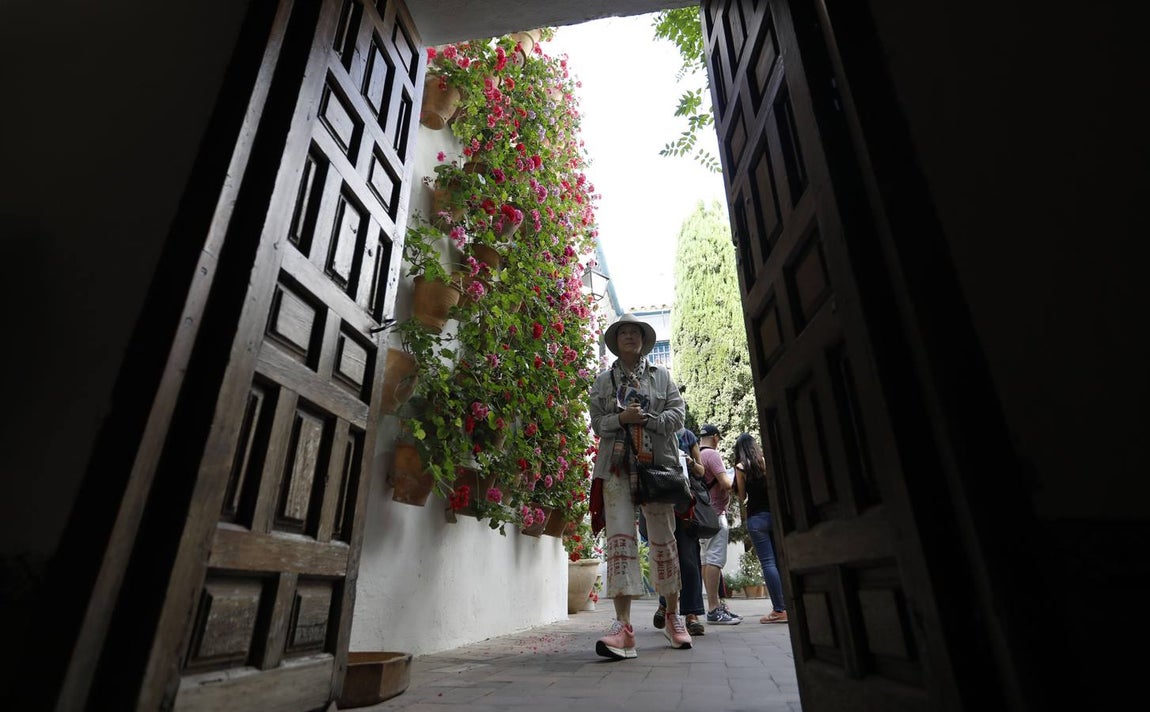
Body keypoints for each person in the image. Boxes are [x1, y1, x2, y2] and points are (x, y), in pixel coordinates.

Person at [589, 314, 692, 658]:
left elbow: (678, 414)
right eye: (624, 332)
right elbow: (597, 423)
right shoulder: (603, 381)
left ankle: (673, 617)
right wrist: (621, 418)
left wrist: (649, 420)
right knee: (619, 538)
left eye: (635, 332)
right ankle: (623, 627)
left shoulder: (661, 376)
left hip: (657, 465)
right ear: (616, 341)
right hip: (616, 466)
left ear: (644, 340)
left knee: (663, 538)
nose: (630, 336)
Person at [652, 421, 707, 637]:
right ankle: (665, 605)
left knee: (689, 559)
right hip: (661, 500)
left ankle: (692, 614)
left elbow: (701, 471)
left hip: (686, 507)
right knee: (665, 555)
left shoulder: (688, 436)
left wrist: (690, 462)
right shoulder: (653, 430)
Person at [733, 432, 787, 623]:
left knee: (768, 563)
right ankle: (788, 606)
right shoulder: (765, 462)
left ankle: (779, 610)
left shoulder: (741, 468)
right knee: (780, 562)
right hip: (774, 517)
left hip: (757, 519)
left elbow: (742, 496)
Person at [697, 424, 742, 625]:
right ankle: (714, 609)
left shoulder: (697, 454)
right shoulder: (712, 455)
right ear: (715, 437)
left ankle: (713, 606)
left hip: (702, 517)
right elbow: (726, 483)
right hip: (715, 515)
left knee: (706, 561)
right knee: (715, 560)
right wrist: (737, 477)